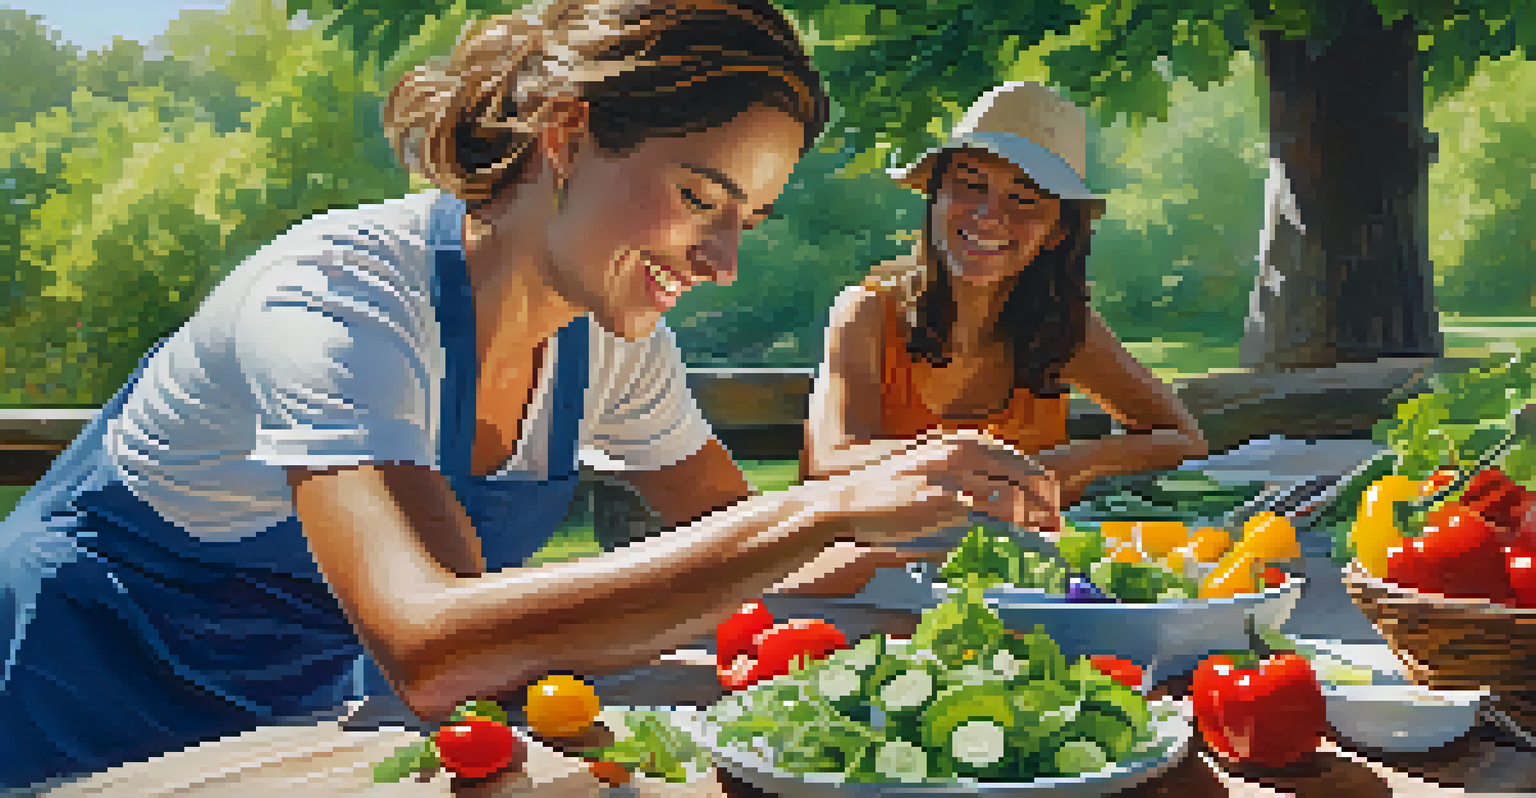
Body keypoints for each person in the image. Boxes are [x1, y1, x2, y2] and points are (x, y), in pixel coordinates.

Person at [0, 2, 1051, 789]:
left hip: (300, 718)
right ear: (566, 135)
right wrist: (819, 507)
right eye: (700, 197)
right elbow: (431, 644)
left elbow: (757, 554)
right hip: (80, 705)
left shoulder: (611, 338)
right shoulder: (339, 297)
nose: (723, 261)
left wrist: (983, 577)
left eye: (748, 221)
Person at [796, 82, 1210, 594]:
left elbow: (1184, 439)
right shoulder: (867, 310)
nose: (989, 215)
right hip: (869, 584)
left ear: (1057, 230)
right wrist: (960, 458)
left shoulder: (1065, 328)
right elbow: (830, 461)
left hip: (1021, 587)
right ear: (935, 196)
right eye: (970, 185)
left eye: (1024, 200)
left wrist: (1061, 465)